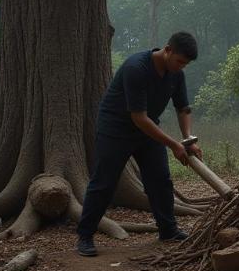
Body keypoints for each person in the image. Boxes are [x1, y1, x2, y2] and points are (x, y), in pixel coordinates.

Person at [75, 31, 203, 256]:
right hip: (115, 129)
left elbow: (183, 108)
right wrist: (174, 145)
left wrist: (188, 139)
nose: (181, 67)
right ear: (168, 50)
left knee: (160, 179)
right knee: (104, 182)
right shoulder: (137, 68)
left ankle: (168, 229)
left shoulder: (176, 74)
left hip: (148, 130)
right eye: (180, 61)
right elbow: (138, 118)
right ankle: (85, 236)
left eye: (186, 64)